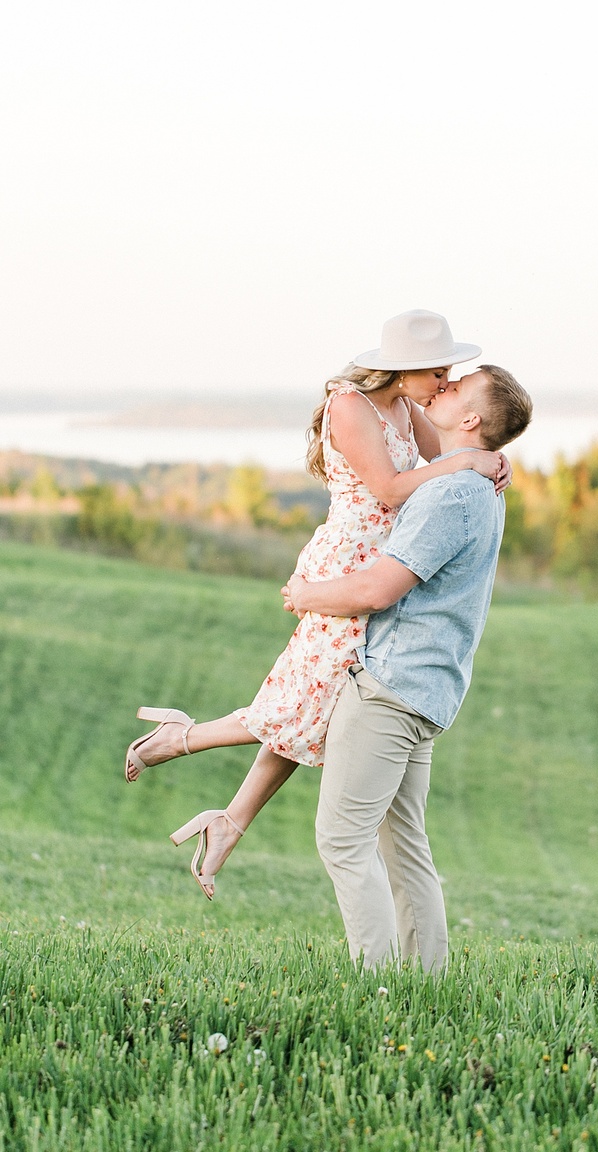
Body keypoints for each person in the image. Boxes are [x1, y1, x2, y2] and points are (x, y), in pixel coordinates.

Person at [123, 310, 510, 898]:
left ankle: (227, 817)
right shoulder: (350, 405)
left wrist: (487, 456)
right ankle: (183, 741)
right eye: (437, 371)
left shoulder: (408, 407)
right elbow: (388, 488)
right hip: (348, 567)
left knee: (319, 708)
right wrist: (467, 462)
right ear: (403, 370)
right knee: (311, 703)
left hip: (384, 567)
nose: (444, 382)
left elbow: (445, 461)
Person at [284, 364, 533, 970]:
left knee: (342, 839)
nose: (442, 388)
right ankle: (426, 982)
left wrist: (304, 594)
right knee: (404, 847)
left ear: (471, 419)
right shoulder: (474, 486)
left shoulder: (451, 495)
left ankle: (378, 986)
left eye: (456, 389)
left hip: (391, 686)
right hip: (429, 688)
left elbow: (377, 588)